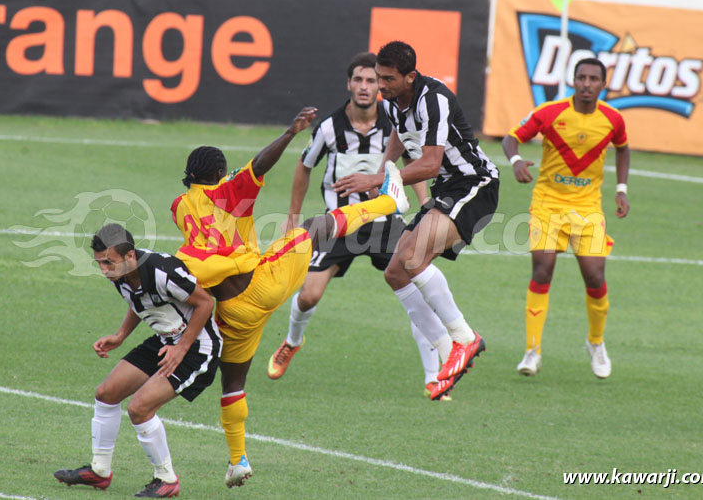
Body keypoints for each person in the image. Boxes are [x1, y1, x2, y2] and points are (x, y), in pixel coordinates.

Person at [171, 108, 409, 487]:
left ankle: (238, 460)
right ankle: (387, 202)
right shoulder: (228, 190)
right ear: (218, 173)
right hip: (262, 284)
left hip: (231, 313)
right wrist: (289, 132)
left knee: (233, 384)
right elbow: (260, 165)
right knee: (315, 227)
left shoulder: (179, 208)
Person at [265, 52, 445, 400]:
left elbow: (412, 163)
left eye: (371, 80)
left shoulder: (394, 122)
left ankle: (434, 377)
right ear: (349, 84)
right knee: (308, 294)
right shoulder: (330, 127)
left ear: (380, 85)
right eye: (358, 80)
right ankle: (291, 343)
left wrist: (425, 206)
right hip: (339, 225)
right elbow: (305, 166)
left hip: (385, 223)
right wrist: (292, 216)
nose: (364, 87)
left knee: (416, 288)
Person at [333, 41, 500, 400]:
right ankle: (448, 353)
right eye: (378, 77)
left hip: (475, 185)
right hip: (448, 188)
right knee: (395, 272)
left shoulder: (433, 99)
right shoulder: (395, 100)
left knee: (412, 259)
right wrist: (383, 174)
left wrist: (376, 179)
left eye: (388, 79)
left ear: (411, 76)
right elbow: (398, 135)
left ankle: (466, 340)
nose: (380, 85)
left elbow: (430, 163)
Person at [54, 224, 221, 498]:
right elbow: (140, 303)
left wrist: (181, 349)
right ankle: (100, 471)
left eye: (109, 262)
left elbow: (205, 303)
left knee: (140, 408)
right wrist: (120, 336)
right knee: (106, 393)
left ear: (130, 255)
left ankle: (166, 479)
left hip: (198, 348)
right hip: (166, 341)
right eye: (99, 263)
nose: (104, 270)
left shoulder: (163, 272)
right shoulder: (120, 275)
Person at [500, 57, 630, 379]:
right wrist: (515, 160)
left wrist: (622, 188)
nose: (587, 83)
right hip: (548, 204)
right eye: (581, 77)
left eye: (593, 78)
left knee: (595, 277)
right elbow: (510, 137)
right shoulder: (550, 112)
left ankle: (595, 343)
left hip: (588, 208)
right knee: (542, 270)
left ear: (603, 84)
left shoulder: (613, 119)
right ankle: (532, 350)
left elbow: (623, 148)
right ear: (574, 80)